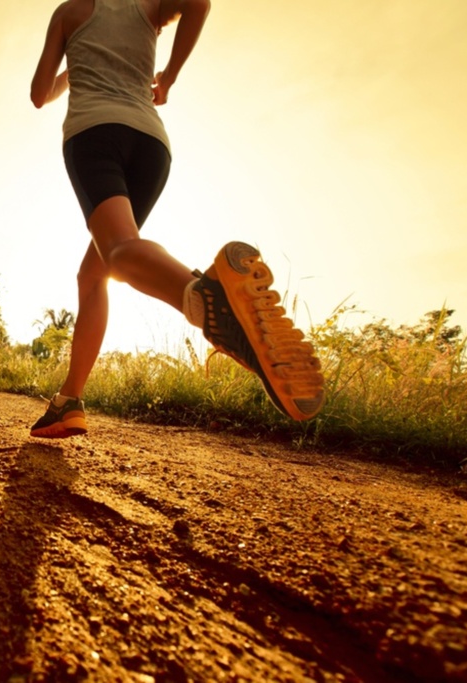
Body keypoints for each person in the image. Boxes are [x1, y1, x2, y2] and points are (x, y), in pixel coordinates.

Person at [28, 0, 325, 438]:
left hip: (95, 133)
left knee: (118, 252)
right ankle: (69, 400)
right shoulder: (146, 7)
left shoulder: (70, 13)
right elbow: (198, 3)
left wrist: (74, 65)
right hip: (151, 145)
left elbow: (39, 95)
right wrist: (168, 77)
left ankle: (202, 295)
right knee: (93, 273)